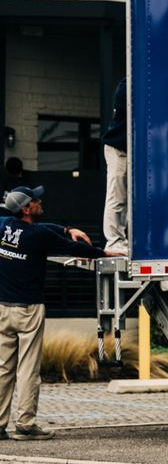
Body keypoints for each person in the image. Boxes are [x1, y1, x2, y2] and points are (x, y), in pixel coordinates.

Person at [0, 184, 103, 440]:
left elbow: (43, 229)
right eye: (36, 200)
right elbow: (75, 249)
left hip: (2, 309)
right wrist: (103, 253)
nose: (40, 201)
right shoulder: (38, 236)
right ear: (27, 208)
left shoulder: (2, 225)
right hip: (28, 309)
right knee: (28, 369)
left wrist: (67, 229)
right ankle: (25, 424)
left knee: (3, 368)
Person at [102, 78, 128, 256]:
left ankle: (121, 240)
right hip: (119, 148)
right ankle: (114, 242)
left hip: (130, 149)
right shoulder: (127, 85)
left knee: (125, 198)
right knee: (117, 195)